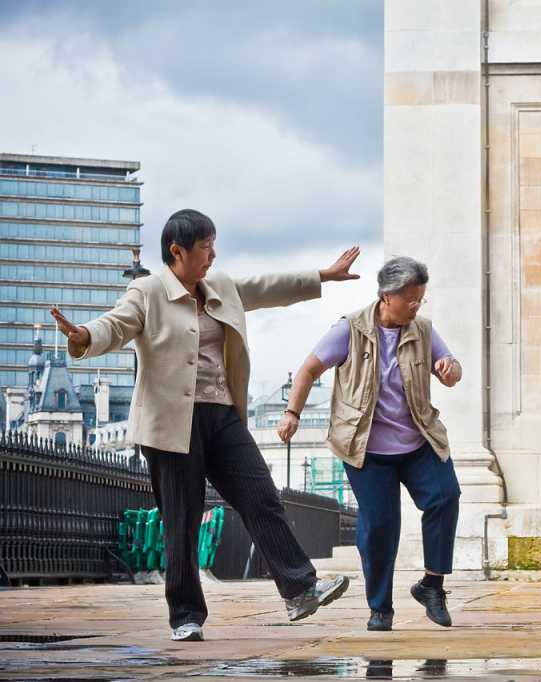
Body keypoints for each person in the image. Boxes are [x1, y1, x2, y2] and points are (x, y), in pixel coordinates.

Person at [51, 209, 358, 642]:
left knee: (261, 497)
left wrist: (323, 276)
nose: (212, 254)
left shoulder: (222, 287)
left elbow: (269, 287)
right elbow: (114, 325)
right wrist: (83, 336)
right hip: (171, 424)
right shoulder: (148, 291)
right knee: (182, 519)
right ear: (177, 251)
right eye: (205, 247)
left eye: (214, 244)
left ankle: (299, 589)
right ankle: (185, 615)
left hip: (223, 416)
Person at [278, 256, 462, 633]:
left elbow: (451, 368)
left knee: (446, 495)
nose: (416, 306)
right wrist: (292, 413)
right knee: (381, 525)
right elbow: (309, 369)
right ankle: (381, 608)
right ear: (386, 296)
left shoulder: (423, 329)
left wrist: (449, 369)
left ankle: (432, 585)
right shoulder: (350, 329)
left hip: (417, 440)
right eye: (410, 298)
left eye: (420, 299)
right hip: (365, 447)